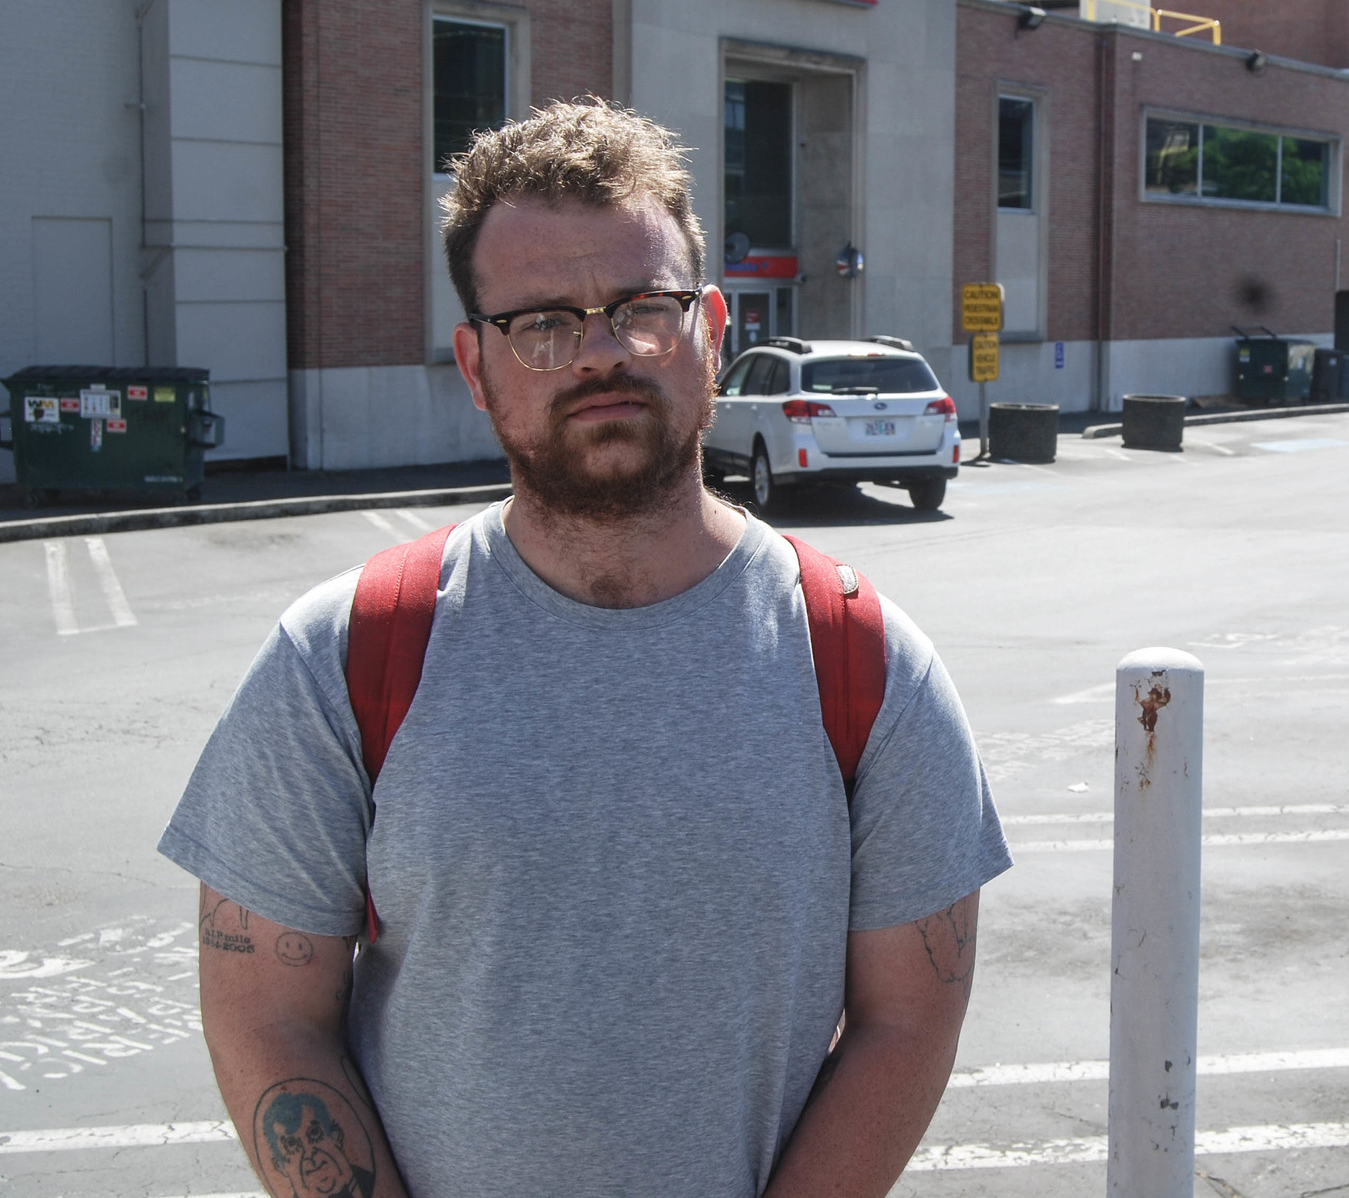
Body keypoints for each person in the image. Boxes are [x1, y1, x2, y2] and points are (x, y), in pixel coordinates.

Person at [159, 100, 1011, 1197]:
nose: (602, 354)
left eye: (643, 309)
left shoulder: (867, 664)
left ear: (712, 329)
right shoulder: (342, 655)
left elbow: (907, 1020)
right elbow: (266, 1013)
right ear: (477, 365)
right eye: (543, 325)